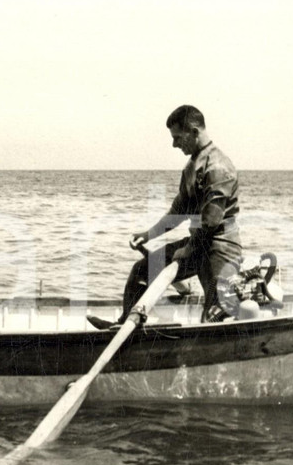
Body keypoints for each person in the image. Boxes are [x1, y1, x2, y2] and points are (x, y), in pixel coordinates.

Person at [89, 105, 242, 328]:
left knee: (214, 316)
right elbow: (178, 211)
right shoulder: (191, 167)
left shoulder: (219, 167)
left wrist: (188, 249)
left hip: (220, 246)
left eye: (178, 137)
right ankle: (124, 325)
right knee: (141, 271)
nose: (174, 144)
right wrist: (148, 235)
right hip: (196, 243)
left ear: (194, 131)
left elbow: (210, 221)